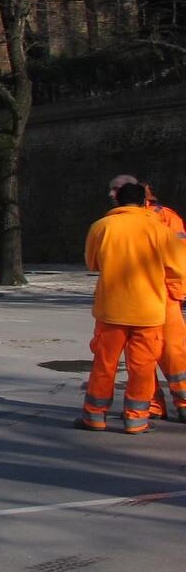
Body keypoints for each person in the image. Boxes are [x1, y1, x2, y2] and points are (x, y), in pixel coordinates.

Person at [82, 181, 184, 433]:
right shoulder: (161, 230)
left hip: (111, 309)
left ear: (117, 200)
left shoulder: (101, 226)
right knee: (142, 367)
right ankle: (136, 419)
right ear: (143, 202)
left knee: (104, 364)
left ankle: (94, 416)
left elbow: (92, 263)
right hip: (148, 311)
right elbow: (178, 269)